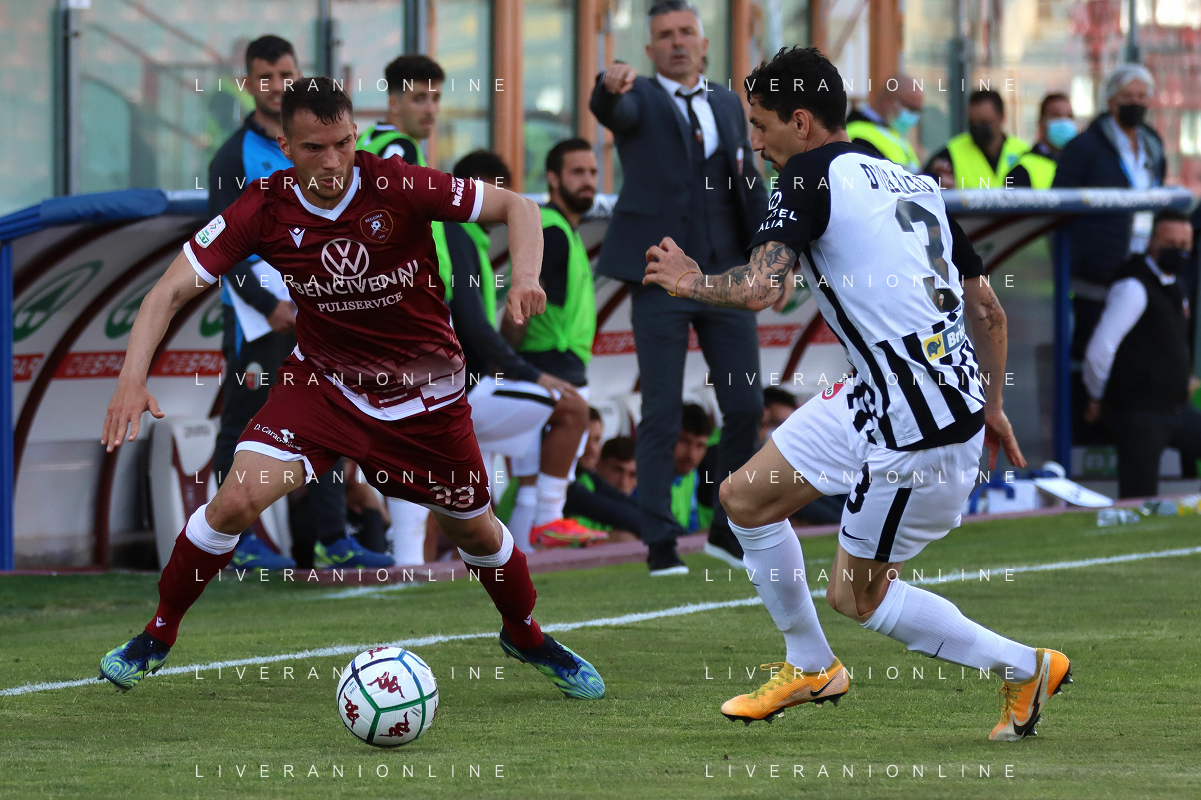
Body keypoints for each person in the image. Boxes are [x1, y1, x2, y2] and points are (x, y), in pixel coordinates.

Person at [97, 77, 605, 702]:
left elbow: (519, 208)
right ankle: (157, 634)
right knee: (234, 500)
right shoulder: (262, 207)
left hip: (425, 395)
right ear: (286, 147)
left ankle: (525, 634)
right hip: (323, 385)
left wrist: (525, 275)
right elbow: (168, 291)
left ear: (355, 136)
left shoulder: (397, 183)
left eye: (342, 143)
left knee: (477, 532)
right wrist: (131, 379)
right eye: (314, 148)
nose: (332, 160)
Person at [643, 46, 1069, 742]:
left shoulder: (804, 176)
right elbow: (988, 311)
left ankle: (1024, 667)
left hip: (917, 432)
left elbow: (761, 288)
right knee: (744, 498)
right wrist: (991, 404)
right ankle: (810, 667)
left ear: (800, 122)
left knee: (855, 596)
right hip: (888, 398)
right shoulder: (911, 180)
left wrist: (688, 280)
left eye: (761, 126)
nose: (755, 143)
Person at [590, 0, 768, 576]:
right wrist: (608, 85)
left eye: (686, 32)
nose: (677, 42)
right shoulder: (638, 95)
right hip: (659, 274)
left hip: (725, 275)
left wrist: (771, 250)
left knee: (746, 404)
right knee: (661, 409)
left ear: (704, 42)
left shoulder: (727, 101)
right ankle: (660, 542)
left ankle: (728, 529)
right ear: (648, 50)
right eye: (664, 35)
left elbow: (747, 179)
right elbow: (613, 108)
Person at [207, 35, 384, 571]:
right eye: (265, 76)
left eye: (286, 74)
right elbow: (222, 247)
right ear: (247, 83)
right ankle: (232, 543)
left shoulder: (317, 143)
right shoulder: (231, 157)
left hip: (318, 306)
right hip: (258, 320)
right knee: (242, 422)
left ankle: (333, 538)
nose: (276, 85)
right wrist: (267, 305)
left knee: (325, 413)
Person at [500, 139, 605, 550]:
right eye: (577, 172)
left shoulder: (565, 230)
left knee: (532, 478)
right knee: (534, 480)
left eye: (593, 172)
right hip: (548, 370)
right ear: (553, 178)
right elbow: (521, 304)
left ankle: (524, 566)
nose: (588, 181)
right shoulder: (554, 232)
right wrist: (506, 359)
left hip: (556, 368)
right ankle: (525, 555)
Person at [1054, 64, 1166, 438]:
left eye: (1142, 97)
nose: (1136, 103)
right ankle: (1085, 430)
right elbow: (1061, 207)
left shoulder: (1152, 144)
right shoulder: (1084, 147)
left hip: (1140, 264)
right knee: (1091, 347)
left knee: (1132, 352)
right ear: (1111, 100)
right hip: (1095, 272)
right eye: (1127, 97)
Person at [1084, 209, 1201, 498]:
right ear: (1152, 243)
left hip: (1174, 409)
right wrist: (1096, 396)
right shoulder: (1133, 286)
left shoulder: (1176, 283)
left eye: (1185, 245)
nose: (1179, 251)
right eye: (1171, 243)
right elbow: (1100, 350)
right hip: (1140, 414)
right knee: (1139, 500)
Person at [924, 90, 1029, 189]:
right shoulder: (950, 154)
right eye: (972, 123)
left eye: (985, 123)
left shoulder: (1023, 152)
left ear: (1002, 117)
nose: (978, 128)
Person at [564, 416, 642, 541]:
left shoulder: (588, 478)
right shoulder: (568, 484)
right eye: (584, 439)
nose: (592, 448)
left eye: (597, 440)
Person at [845, 74, 923, 172]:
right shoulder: (859, 134)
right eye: (911, 109)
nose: (914, 116)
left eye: (918, 111)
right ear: (889, 101)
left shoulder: (894, 135)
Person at [1007, 93, 1075, 189]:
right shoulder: (1022, 169)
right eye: (1056, 116)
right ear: (1041, 123)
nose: (1064, 122)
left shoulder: (1079, 164)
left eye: (1069, 116)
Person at [663, 403, 712, 533]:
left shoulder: (692, 474)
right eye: (684, 441)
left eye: (700, 445)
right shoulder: (643, 477)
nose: (692, 455)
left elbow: (692, 526)